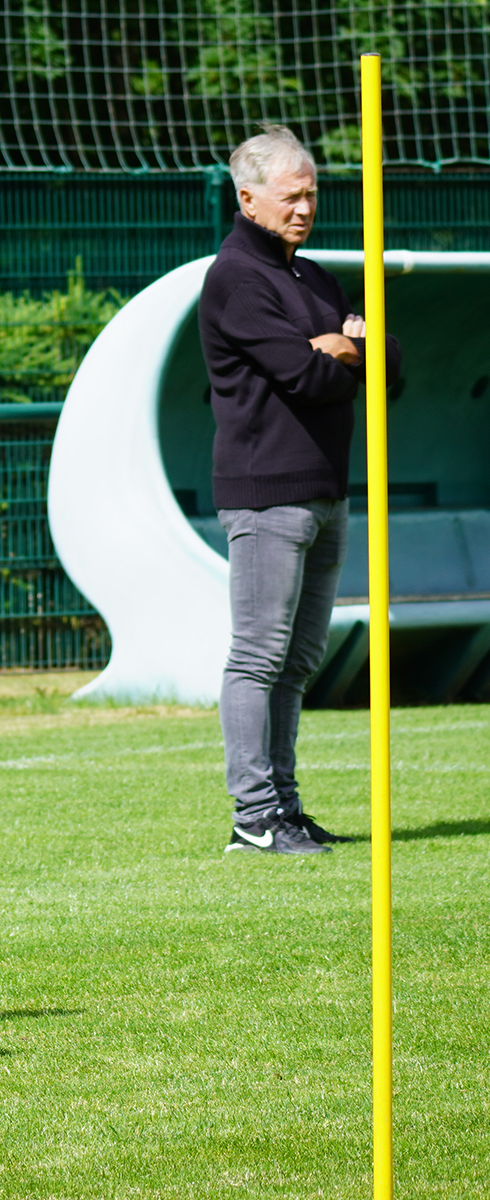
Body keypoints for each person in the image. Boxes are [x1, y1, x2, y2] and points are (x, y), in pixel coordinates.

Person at [200, 125, 401, 855]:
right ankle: (253, 817)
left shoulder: (311, 275)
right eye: (291, 195)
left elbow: (390, 367)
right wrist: (344, 348)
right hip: (266, 494)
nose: (305, 207)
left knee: (298, 660)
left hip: (327, 489)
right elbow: (306, 375)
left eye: (312, 193)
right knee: (258, 655)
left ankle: (285, 808)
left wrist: (348, 346)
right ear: (249, 198)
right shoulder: (234, 278)